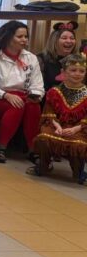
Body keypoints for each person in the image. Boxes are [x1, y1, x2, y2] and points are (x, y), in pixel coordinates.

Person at [0, 20, 44, 163]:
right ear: (8, 37)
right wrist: (6, 95)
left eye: (26, 36)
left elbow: (37, 84)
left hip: (24, 96)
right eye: (20, 37)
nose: (24, 40)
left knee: (33, 106)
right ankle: (1, 148)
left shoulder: (31, 58)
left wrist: (36, 95)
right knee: (17, 105)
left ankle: (33, 150)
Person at [33, 53, 87, 184]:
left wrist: (75, 129)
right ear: (63, 72)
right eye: (73, 70)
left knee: (79, 145)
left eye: (82, 71)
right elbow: (48, 112)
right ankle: (44, 164)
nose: (77, 74)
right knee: (44, 138)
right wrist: (57, 126)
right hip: (56, 126)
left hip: (79, 129)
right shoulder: (54, 91)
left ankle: (78, 170)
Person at [38, 21, 78, 92]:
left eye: (72, 38)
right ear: (54, 40)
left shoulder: (78, 60)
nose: (69, 41)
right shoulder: (41, 59)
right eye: (64, 38)